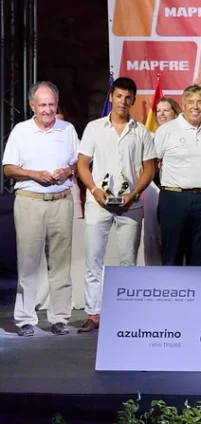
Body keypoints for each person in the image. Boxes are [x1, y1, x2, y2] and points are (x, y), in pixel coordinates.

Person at [75, 77, 157, 333]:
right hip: (97, 204)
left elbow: (149, 168)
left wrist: (134, 193)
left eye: (128, 97)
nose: (123, 101)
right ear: (111, 97)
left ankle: (125, 312)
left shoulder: (142, 131)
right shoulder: (94, 128)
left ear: (133, 100)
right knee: (93, 261)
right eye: (119, 96)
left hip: (129, 206)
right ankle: (94, 314)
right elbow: (82, 164)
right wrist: (95, 190)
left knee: (127, 263)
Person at [2, 82, 79, 336]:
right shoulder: (20, 131)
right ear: (32, 105)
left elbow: (77, 163)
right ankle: (25, 319)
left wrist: (68, 171)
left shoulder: (67, 129)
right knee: (28, 262)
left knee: (60, 262)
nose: (48, 110)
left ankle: (59, 317)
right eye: (43, 105)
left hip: (61, 201)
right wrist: (33, 174)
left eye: (52, 104)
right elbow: (8, 168)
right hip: (30, 202)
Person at [154, 84, 201, 266]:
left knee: (200, 258)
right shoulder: (166, 130)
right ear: (183, 104)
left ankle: (197, 293)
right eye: (191, 102)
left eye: (200, 102)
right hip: (174, 198)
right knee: (172, 255)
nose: (195, 107)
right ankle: (171, 292)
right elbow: (151, 166)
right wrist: (167, 188)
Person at [142, 97, 179, 266]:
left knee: (177, 239)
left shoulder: (182, 137)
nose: (162, 114)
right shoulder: (149, 137)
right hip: (153, 191)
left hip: (177, 193)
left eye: (166, 110)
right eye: (158, 111)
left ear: (176, 113)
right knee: (154, 236)